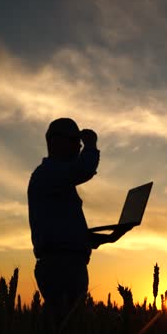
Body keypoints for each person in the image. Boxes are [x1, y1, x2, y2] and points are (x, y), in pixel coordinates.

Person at [27, 117, 131, 323]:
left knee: (68, 328)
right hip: (61, 266)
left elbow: (68, 233)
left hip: (65, 263)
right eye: (75, 141)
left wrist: (108, 238)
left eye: (80, 143)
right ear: (55, 142)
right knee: (67, 329)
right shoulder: (49, 174)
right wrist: (92, 144)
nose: (78, 147)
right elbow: (85, 169)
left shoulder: (56, 179)